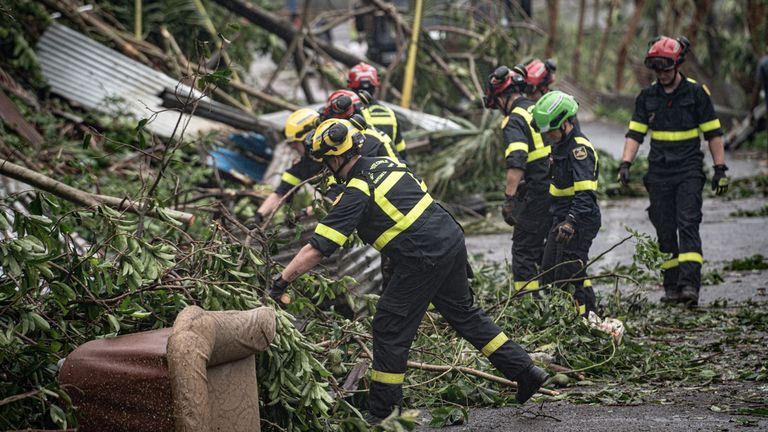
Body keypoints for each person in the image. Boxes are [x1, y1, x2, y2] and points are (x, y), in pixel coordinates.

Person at [267, 118, 548, 424]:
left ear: (335, 158)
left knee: (388, 327)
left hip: (423, 256)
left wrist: (281, 281)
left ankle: (384, 413)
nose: (324, 168)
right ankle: (525, 371)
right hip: (450, 238)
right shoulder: (387, 163)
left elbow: (318, 248)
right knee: (463, 313)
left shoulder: (358, 191)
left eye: (325, 162)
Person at [619, 36, 728, 306]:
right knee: (665, 230)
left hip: (689, 169)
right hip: (659, 172)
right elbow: (635, 134)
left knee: (688, 224)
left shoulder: (696, 94)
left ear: (678, 65)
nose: (662, 74)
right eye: (657, 70)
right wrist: (625, 163)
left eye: (666, 69)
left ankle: (690, 285)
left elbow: (713, 133)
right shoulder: (647, 97)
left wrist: (720, 168)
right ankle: (671, 287)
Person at [483, 65, 551, 294]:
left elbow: (517, 160)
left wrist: (509, 198)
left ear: (500, 97)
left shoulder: (513, 120)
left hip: (536, 192)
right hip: (555, 189)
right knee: (547, 248)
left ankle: (528, 305)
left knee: (523, 251)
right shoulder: (537, 108)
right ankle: (553, 296)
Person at [532, 91, 600, 316]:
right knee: (549, 272)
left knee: (569, 277)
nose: (548, 135)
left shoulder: (579, 150)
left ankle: (581, 322)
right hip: (560, 217)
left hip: (578, 220)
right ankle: (588, 311)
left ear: (565, 123)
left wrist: (571, 222)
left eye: (551, 129)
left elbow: (585, 195)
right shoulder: (559, 145)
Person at [255, 108, 325, 223]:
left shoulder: (336, 159)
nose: (293, 147)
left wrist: (304, 213)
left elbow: (338, 199)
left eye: (295, 142)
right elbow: (281, 193)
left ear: (310, 138)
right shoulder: (305, 165)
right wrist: (258, 216)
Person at [347, 62, 408, 158]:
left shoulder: (347, 116)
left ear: (350, 85)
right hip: (390, 168)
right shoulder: (389, 113)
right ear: (376, 85)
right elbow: (401, 151)